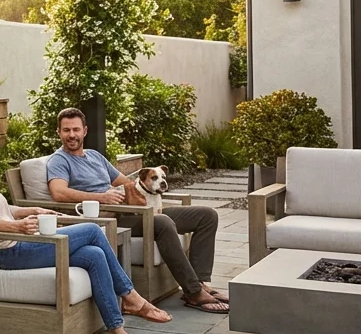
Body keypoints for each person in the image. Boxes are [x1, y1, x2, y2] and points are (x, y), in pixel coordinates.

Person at [0, 121, 170, 334]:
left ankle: (117, 333)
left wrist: (33, 210)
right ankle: (131, 297)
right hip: (5, 252)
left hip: (21, 244)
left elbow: (3, 209)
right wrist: (17, 227)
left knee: (93, 255)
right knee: (91, 230)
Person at [46, 107, 229, 314]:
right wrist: (102, 197)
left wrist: (152, 186)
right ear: (58, 132)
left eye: (76, 129)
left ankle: (201, 281)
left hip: (134, 210)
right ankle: (194, 292)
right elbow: (59, 193)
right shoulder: (59, 161)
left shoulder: (95, 156)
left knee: (206, 215)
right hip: (109, 218)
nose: (72, 135)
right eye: (66, 130)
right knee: (161, 222)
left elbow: (127, 184)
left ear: (85, 131)